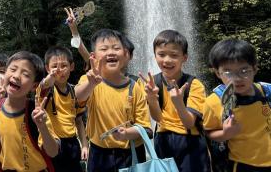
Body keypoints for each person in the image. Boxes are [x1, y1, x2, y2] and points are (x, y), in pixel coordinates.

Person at [75, 29, 151, 172]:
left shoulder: (135, 87)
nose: (111, 52)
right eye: (104, 49)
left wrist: (127, 133)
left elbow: (146, 128)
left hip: (130, 155)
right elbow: (78, 97)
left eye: (116, 48)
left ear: (125, 54)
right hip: (99, 154)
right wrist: (91, 84)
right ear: (93, 57)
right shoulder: (89, 80)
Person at [141, 30, 210, 171]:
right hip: (163, 139)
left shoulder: (193, 84)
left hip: (190, 141)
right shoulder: (153, 83)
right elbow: (157, 117)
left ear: (184, 58)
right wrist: (152, 99)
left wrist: (178, 103)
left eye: (174, 55)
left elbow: (189, 123)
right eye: (161, 54)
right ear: (155, 55)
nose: (167, 60)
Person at [203, 39, 271, 171]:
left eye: (244, 70)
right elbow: (208, 132)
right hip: (242, 165)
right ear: (217, 72)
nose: (237, 78)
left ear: (255, 68)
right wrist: (225, 134)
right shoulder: (214, 102)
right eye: (228, 72)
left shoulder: (267, 92)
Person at [0, 51, 60, 172]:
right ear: (5, 72)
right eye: (13, 69)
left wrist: (42, 126)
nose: (16, 76)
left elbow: (53, 152)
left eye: (25, 74)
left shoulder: (37, 112)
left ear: (34, 86)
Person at [40, 46, 87, 171]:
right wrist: (51, 76)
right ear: (47, 68)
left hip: (73, 143)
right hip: (55, 143)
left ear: (71, 67)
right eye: (54, 66)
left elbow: (79, 120)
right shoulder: (46, 90)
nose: (59, 70)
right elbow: (44, 84)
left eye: (64, 65)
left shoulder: (73, 90)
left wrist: (84, 145)